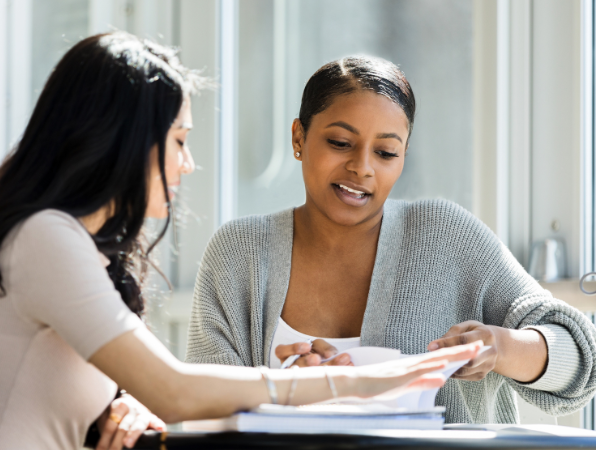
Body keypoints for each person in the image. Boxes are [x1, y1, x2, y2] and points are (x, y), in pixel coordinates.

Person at [0, 35, 479, 450]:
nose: (189, 164)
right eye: (178, 141)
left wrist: (136, 403)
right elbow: (177, 387)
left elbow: (159, 387)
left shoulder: (63, 245)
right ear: (122, 140)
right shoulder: (45, 239)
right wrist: (374, 380)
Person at [185, 55, 596, 424]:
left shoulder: (445, 235)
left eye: (385, 153)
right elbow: (201, 407)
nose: (361, 167)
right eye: (340, 143)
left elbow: (583, 360)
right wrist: (290, 396)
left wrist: (503, 348)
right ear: (298, 138)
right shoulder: (238, 252)